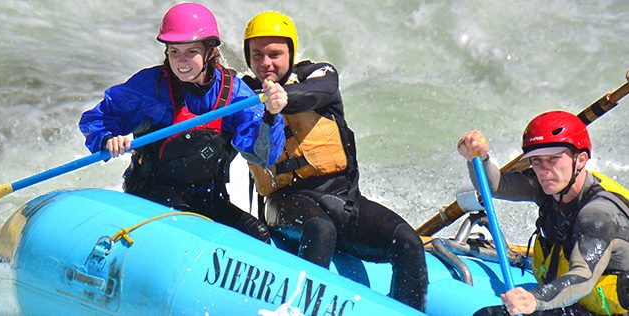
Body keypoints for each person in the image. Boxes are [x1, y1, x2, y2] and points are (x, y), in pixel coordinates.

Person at [240, 11, 428, 311]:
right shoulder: (242, 95)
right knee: (320, 230)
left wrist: (280, 98)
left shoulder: (317, 75)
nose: (266, 63)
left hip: (342, 198)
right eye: (257, 55)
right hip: (285, 201)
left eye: (275, 54)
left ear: (290, 52)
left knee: (408, 242)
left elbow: (322, 90)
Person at [78, 3, 288, 243]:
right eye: (174, 51)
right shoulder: (150, 87)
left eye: (191, 52)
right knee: (180, 225)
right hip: (152, 195)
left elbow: (262, 155)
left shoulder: (235, 94)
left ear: (210, 51)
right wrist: (108, 139)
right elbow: (96, 119)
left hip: (206, 198)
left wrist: (271, 116)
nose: (181, 61)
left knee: (257, 235)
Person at [458, 111, 629, 315]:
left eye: (554, 158)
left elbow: (583, 278)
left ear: (581, 160)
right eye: (537, 160)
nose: (544, 169)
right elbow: (495, 186)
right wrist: (478, 158)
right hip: (579, 306)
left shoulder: (599, 216)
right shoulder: (550, 187)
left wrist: (534, 299)